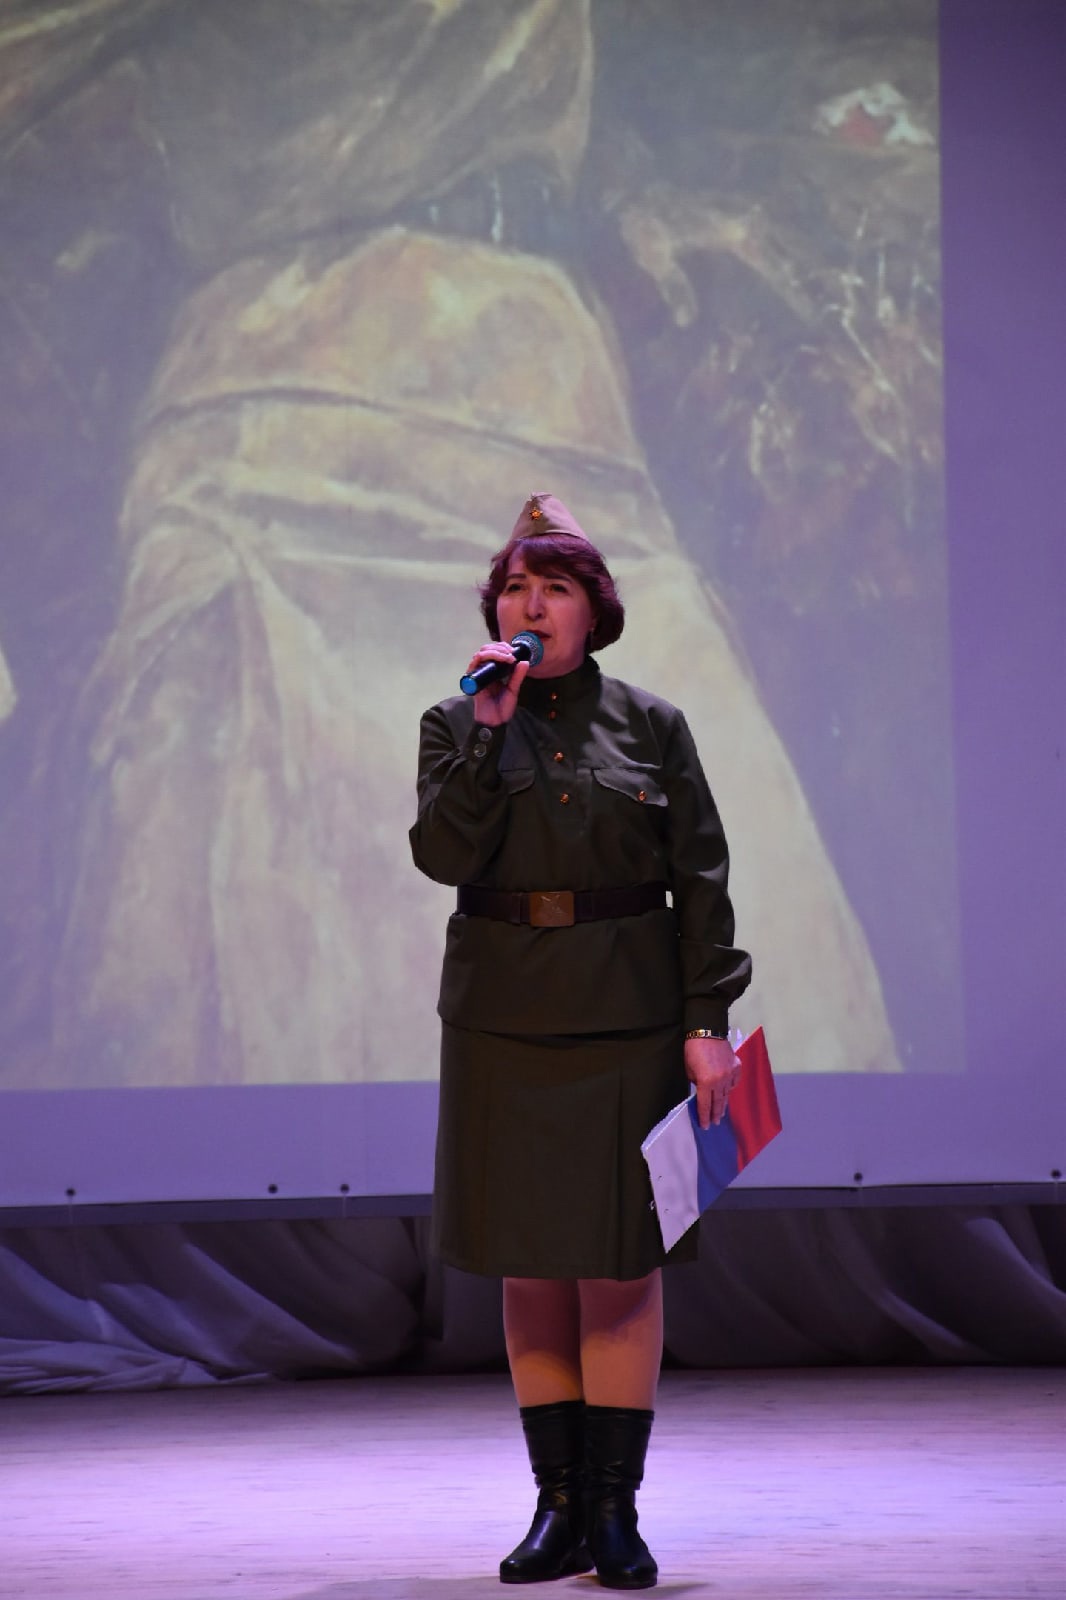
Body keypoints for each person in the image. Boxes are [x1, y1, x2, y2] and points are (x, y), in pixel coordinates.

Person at [410, 493, 752, 1589]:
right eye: (514, 587)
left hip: (628, 1019)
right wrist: (490, 729)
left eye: (553, 587)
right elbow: (440, 854)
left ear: (592, 610)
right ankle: (555, 1503)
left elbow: (701, 881)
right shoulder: (456, 722)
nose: (530, 604)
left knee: (618, 1267)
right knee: (530, 1264)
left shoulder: (653, 725)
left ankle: (615, 1510)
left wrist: (707, 1023)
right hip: (503, 1022)